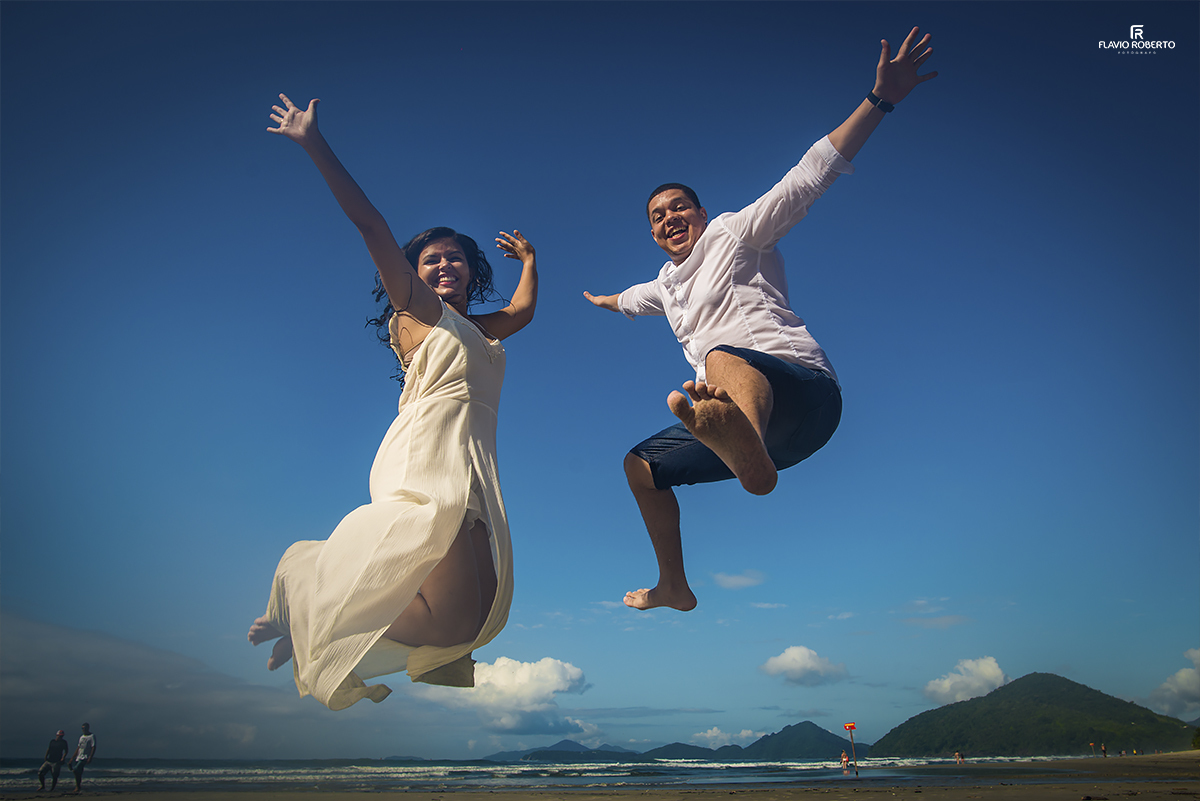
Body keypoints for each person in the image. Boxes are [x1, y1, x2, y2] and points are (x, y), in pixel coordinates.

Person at [584, 27, 937, 611]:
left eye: (678, 208)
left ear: (700, 212)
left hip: (804, 396)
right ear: (652, 232)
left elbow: (807, 177)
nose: (669, 219)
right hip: (775, 447)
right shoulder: (665, 286)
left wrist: (880, 100)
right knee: (640, 467)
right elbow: (636, 297)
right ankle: (674, 583)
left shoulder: (734, 233)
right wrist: (606, 302)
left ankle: (739, 432)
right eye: (657, 216)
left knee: (718, 357)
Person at [247, 93, 539, 710]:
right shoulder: (417, 313)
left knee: (464, 623)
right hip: (429, 455)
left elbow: (521, 312)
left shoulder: (478, 329)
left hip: (475, 464)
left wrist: (531, 261)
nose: (443, 264)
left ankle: (319, 621)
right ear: (412, 272)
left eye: (454, 256)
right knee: (447, 624)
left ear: (469, 267)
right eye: (430, 258)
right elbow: (371, 226)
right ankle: (306, 588)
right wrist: (314, 143)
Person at [68, 723, 96, 793]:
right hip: (79, 756)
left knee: (75, 770)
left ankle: (78, 786)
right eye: (82, 728)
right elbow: (78, 748)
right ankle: (78, 786)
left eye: (84, 728)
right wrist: (72, 758)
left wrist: (90, 757)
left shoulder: (91, 736)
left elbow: (93, 747)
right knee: (78, 773)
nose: (83, 730)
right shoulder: (81, 737)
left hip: (85, 757)